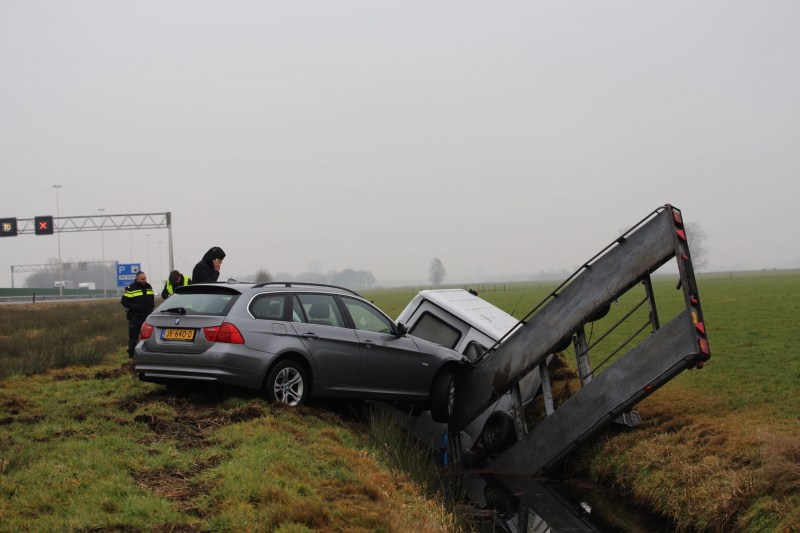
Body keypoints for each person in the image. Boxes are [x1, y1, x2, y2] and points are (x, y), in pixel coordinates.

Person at [120, 271, 155, 358]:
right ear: (137, 279)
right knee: (133, 337)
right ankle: (131, 355)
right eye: (142, 279)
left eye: (145, 278)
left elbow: (151, 298)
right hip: (136, 316)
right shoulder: (131, 288)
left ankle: (147, 355)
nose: (144, 280)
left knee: (148, 337)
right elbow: (124, 301)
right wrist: (134, 307)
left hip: (147, 316)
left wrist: (151, 307)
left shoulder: (148, 287)